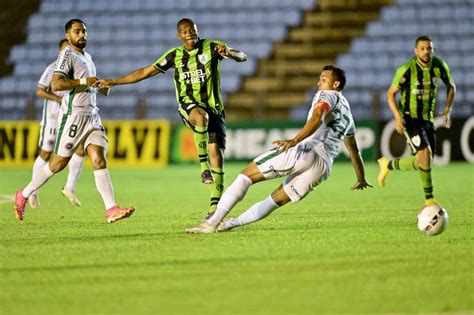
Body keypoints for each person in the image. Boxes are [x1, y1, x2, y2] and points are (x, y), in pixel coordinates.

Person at [185, 65, 372, 233]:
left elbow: (317, 116)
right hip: (322, 167)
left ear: (336, 84)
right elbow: (354, 150)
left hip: (306, 150)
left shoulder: (328, 95)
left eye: (324, 79)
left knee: (245, 176)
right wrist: (361, 178)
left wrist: (294, 140)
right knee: (274, 201)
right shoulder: (348, 114)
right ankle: (228, 225)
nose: (319, 83)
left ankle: (212, 223)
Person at [94, 18, 247, 218]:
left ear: (197, 30)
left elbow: (242, 56)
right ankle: (203, 168)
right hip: (189, 106)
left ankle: (214, 209)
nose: (189, 33)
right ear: (179, 36)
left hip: (215, 109)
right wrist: (114, 82)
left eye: (192, 30)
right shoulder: (174, 56)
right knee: (200, 118)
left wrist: (231, 54)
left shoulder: (212, 47)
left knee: (217, 155)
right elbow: (145, 72)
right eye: (184, 31)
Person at [14, 18, 135, 223]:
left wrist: (99, 86)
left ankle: (111, 208)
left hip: (92, 116)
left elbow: (86, 85)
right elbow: (56, 85)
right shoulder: (66, 55)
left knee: (98, 158)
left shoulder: (87, 56)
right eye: (77, 32)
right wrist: (82, 82)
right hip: (73, 117)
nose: (82, 35)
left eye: (84, 32)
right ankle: (23, 194)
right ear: (68, 35)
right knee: (58, 163)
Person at [378, 35, 456, 206]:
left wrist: (447, 110)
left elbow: (451, 86)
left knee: (423, 161)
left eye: (429, 48)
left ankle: (388, 165)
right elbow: (390, 94)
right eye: (422, 48)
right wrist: (398, 117)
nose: (426, 51)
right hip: (410, 117)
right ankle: (430, 199)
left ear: (433, 50)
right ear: (416, 51)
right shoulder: (407, 69)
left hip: (427, 119)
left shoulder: (440, 66)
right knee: (425, 155)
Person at [29, 38, 85, 209]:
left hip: (70, 115)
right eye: (65, 49)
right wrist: (56, 99)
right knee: (46, 153)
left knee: (81, 148)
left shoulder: (77, 67)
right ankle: (33, 190)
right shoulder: (53, 68)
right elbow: (39, 90)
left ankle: (70, 187)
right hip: (53, 117)